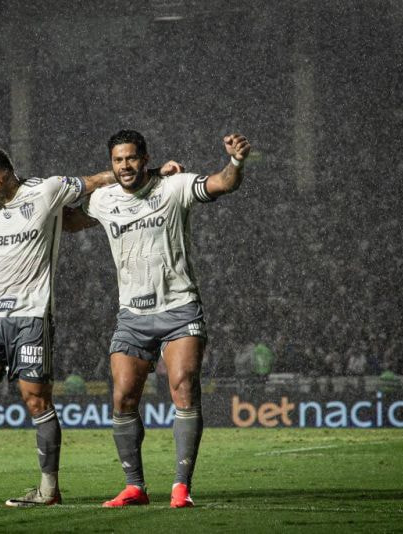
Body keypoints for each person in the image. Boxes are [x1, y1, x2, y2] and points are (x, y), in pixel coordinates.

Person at [0, 146, 180, 507]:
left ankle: (49, 489)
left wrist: (155, 173)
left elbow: (97, 180)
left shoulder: (46, 190)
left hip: (31, 317)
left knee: (36, 399)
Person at [63, 129, 251, 508]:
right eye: (118, 160)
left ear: (145, 158)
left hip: (179, 308)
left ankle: (181, 487)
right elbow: (67, 222)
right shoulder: (103, 199)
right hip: (132, 315)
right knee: (123, 398)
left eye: (131, 158)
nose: (125, 165)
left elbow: (222, 183)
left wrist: (235, 161)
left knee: (183, 386)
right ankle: (135, 487)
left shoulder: (173, 187)